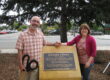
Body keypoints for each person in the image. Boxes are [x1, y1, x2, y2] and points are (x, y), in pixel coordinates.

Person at [16, 16, 58, 80]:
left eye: (37, 22)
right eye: (34, 21)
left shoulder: (40, 34)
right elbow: (19, 51)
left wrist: (54, 44)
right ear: (30, 22)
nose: (35, 23)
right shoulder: (22, 35)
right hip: (25, 66)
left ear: (39, 24)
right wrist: (20, 65)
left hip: (36, 67)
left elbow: (45, 43)